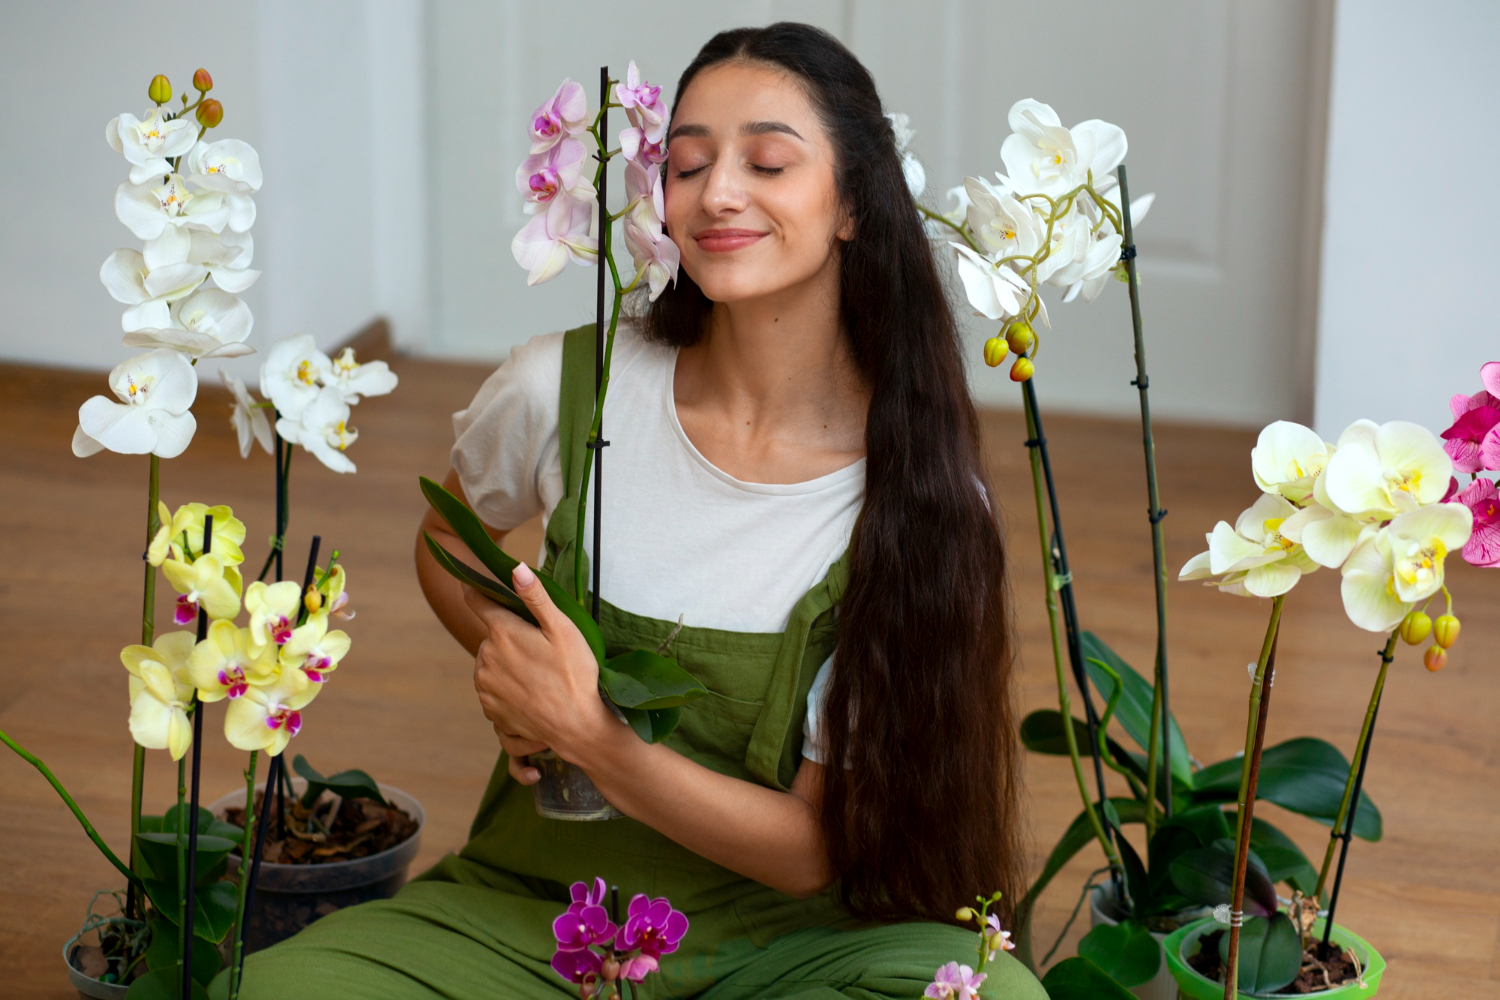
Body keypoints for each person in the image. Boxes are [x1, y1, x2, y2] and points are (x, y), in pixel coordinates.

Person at [235, 22, 1044, 999]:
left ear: (855, 205)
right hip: (538, 917)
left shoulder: (915, 486)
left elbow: (808, 854)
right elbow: (451, 541)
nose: (718, 193)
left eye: (769, 161)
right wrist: (510, 657)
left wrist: (590, 734)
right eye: (690, 163)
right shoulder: (562, 388)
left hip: (791, 945)